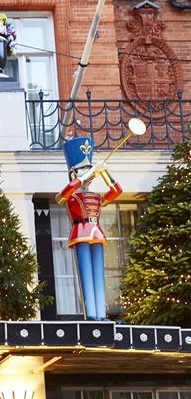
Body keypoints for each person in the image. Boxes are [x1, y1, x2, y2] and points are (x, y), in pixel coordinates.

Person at [56, 136, 122, 320]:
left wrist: (105, 172)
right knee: (86, 273)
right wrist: (85, 175)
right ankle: (91, 315)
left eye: (89, 168)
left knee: (98, 275)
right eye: (83, 169)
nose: (89, 173)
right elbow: (61, 196)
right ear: (73, 173)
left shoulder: (96, 195)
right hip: (80, 232)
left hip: (96, 232)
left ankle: (101, 314)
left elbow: (117, 192)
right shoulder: (71, 195)